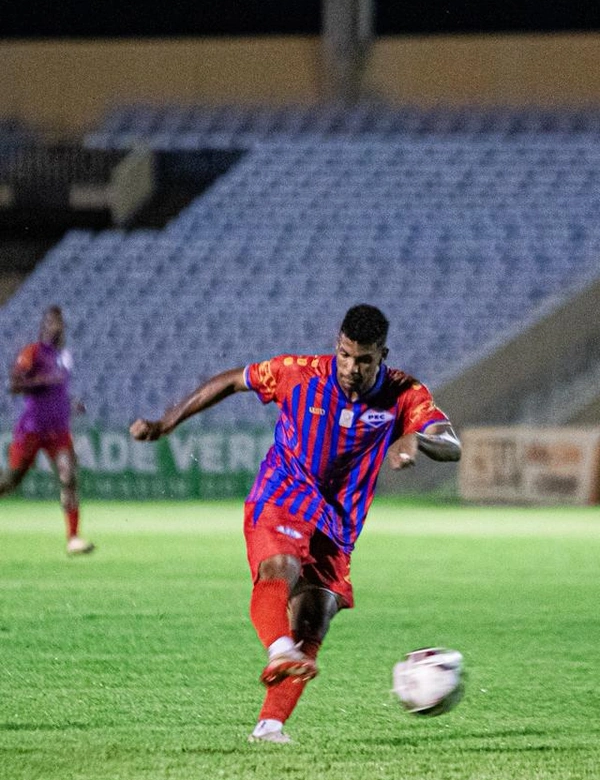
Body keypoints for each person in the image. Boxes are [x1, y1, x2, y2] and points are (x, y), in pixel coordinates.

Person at [130, 304, 461, 744]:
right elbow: (233, 380)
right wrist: (165, 423)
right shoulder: (299, 373)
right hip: (283, 494)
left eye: (363, 359)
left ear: (383, 355)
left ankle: (269, 727)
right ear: (336, 346)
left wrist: (415, 437)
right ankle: (277, 649)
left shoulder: (404, 394)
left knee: (312, 622)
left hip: (338, 522)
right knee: (278, 569)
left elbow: (451, 444)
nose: (351, 367)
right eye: (345, 355)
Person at [1, 305, 94, 555]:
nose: (57, 326)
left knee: (69, 477)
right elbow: (14, 384)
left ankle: (73, 538)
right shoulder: (32, 352)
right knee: (11, 481)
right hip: (32, 428)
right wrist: (41, 382)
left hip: (59, 430)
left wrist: (71, 403)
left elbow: (59, 390)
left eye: (60, 322)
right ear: (44, 326)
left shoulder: (63, 356)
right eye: (52, 322)